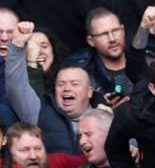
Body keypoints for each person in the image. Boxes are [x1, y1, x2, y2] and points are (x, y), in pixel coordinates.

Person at [6, 20, 94, 154]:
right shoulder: (41, 109)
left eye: (44, 46)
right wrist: (18, 47)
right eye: (61, 84)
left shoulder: (99, 109)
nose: (37, 51)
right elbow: (17, 86)